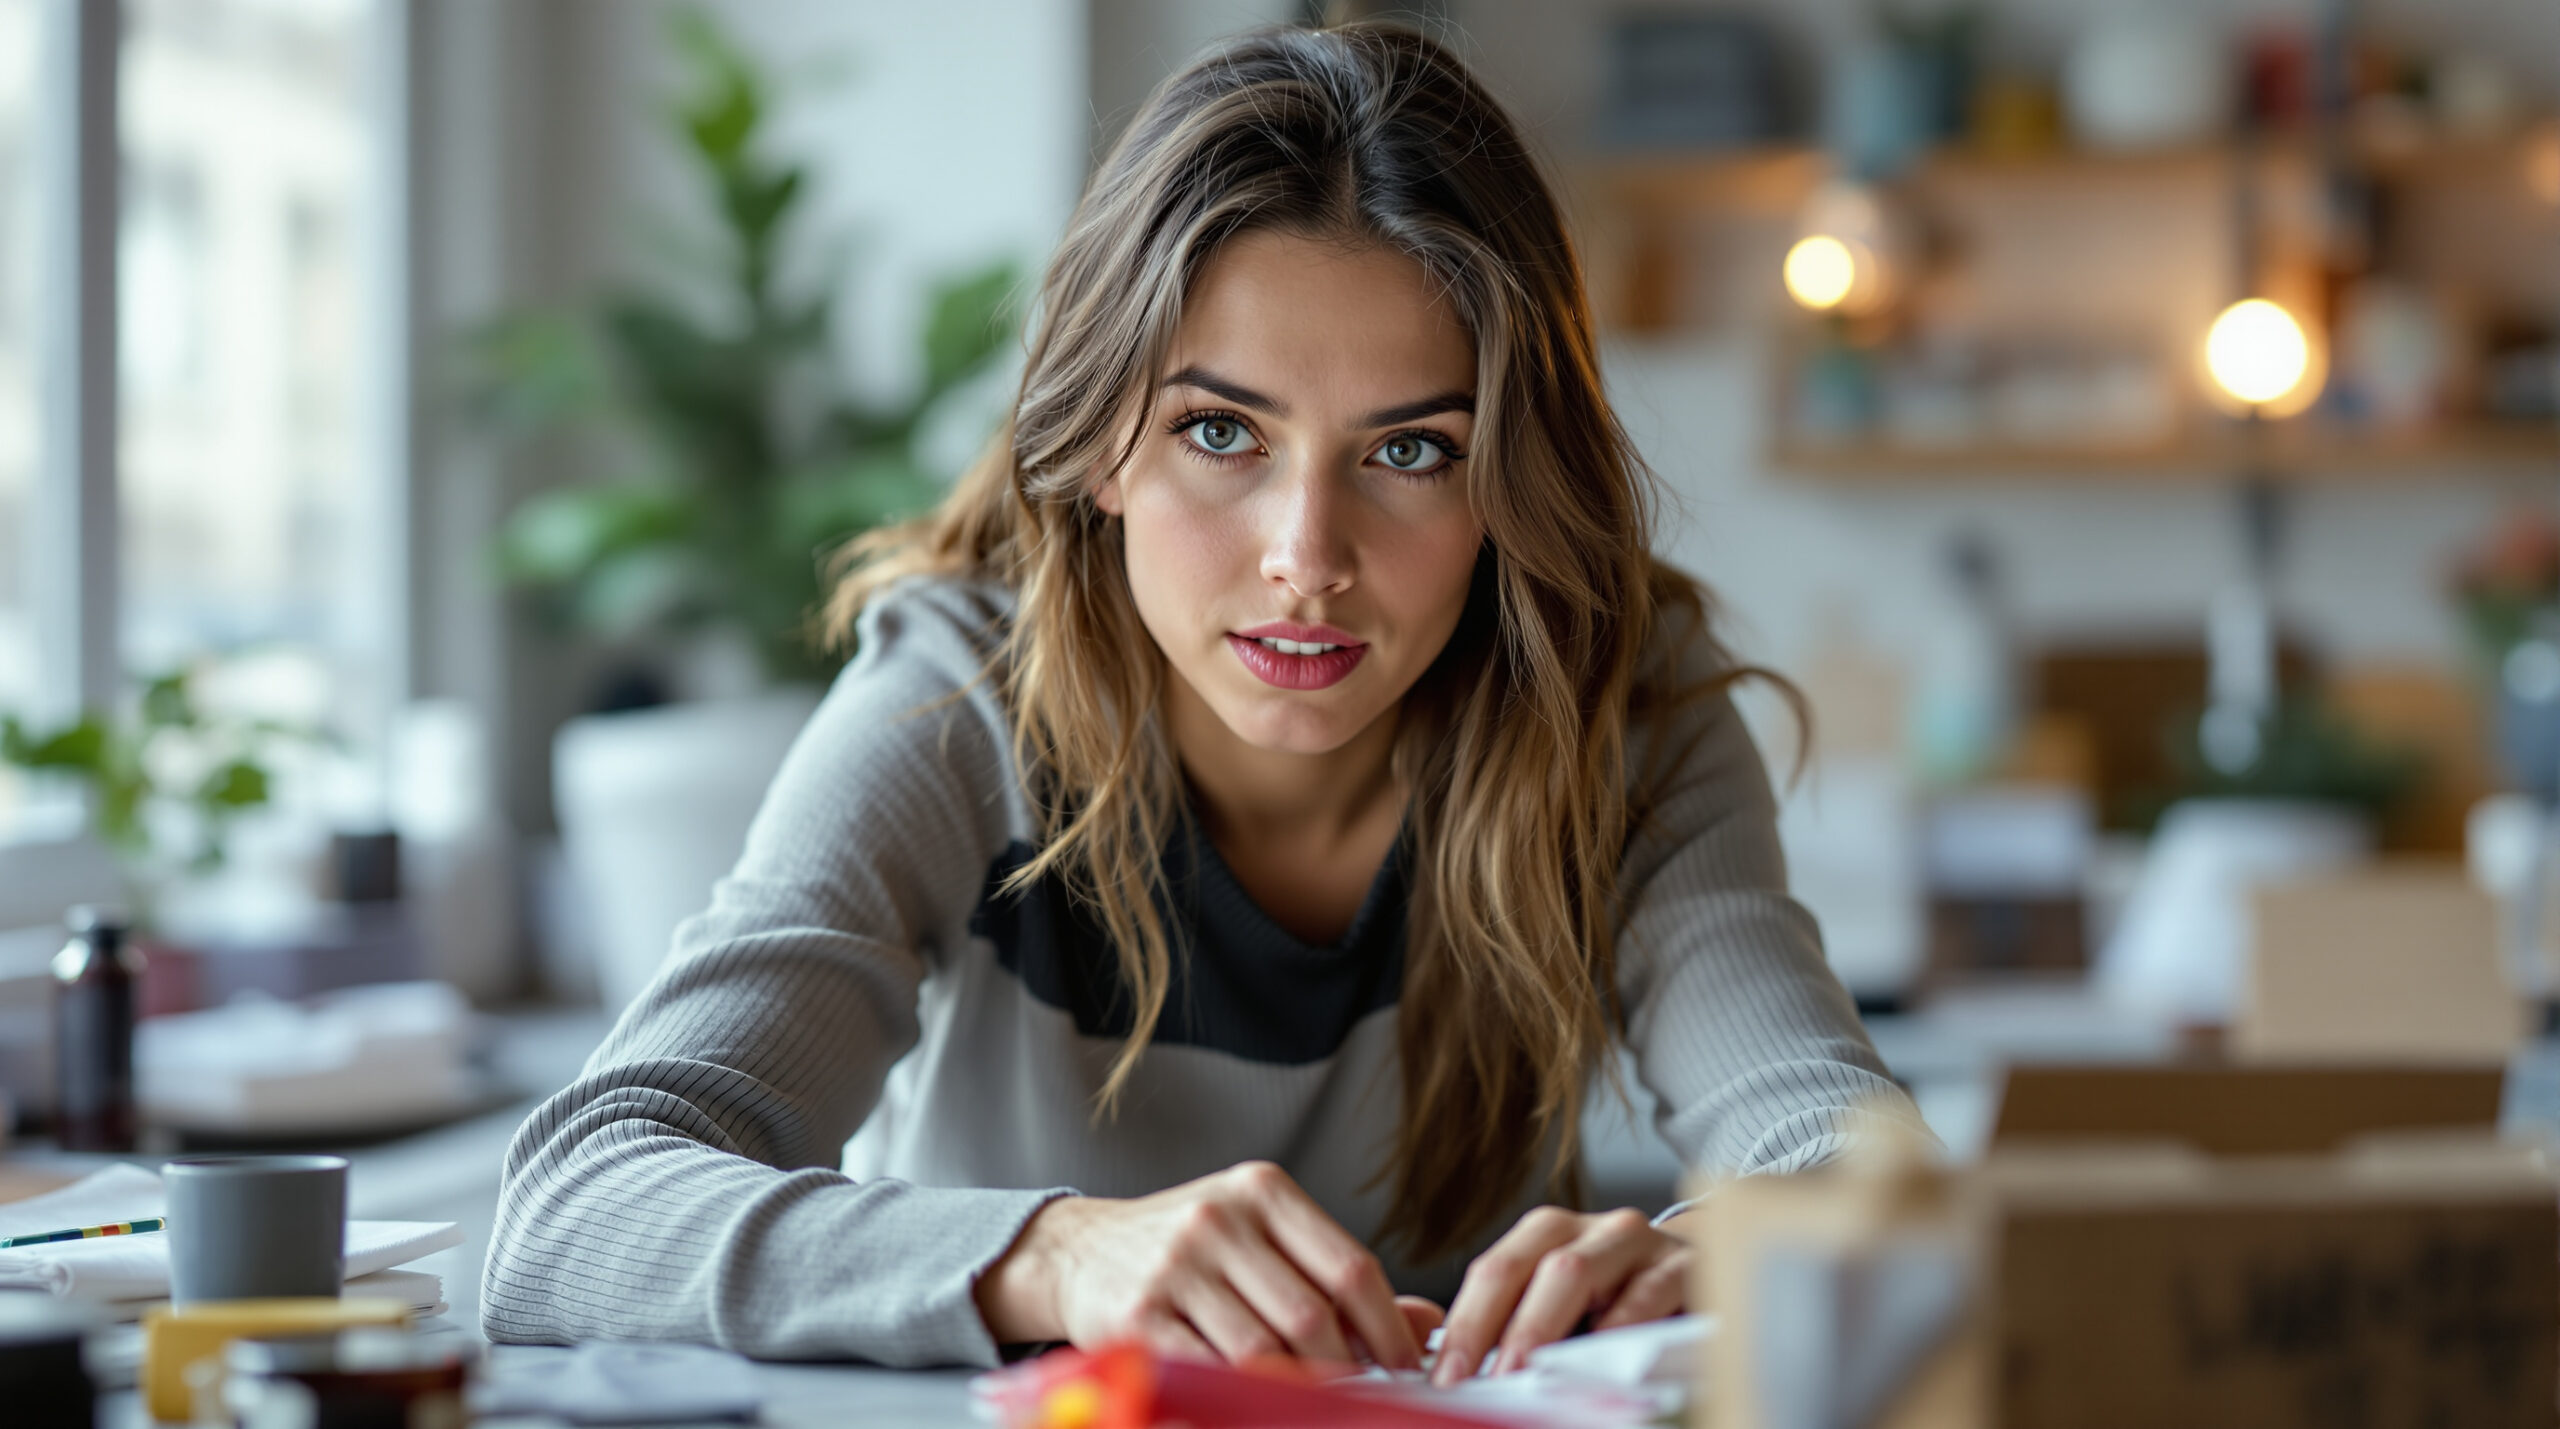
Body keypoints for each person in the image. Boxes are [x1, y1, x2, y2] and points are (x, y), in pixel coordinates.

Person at [483, 20, 1918, 1383]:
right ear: (1103, 440)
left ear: (1505, 486)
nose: (1308, 558)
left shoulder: (1622, 708)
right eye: (1220, 431)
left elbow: (1857, 1162)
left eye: (1411, 450)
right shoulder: (958, 709)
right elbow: (572, 1210)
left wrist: (1723, 1250)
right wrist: (1051, 1255)